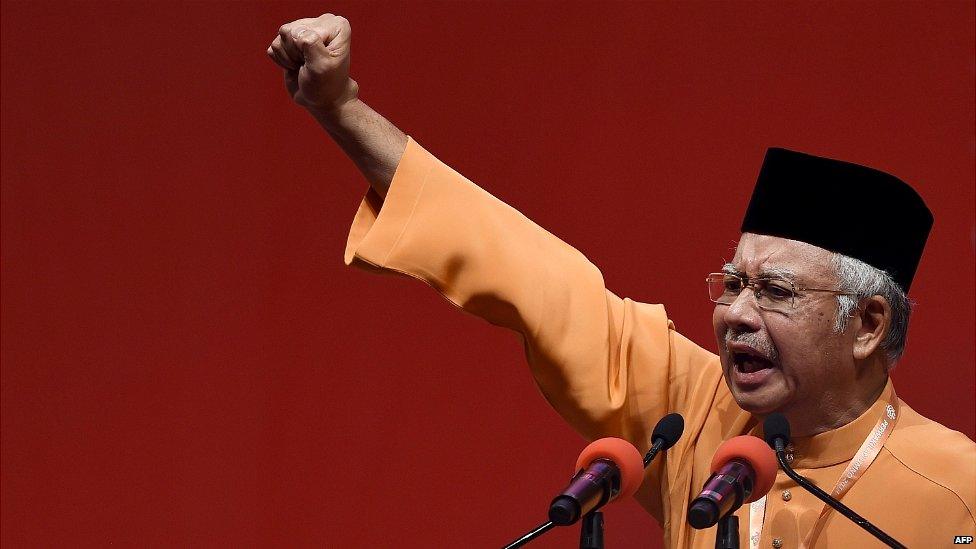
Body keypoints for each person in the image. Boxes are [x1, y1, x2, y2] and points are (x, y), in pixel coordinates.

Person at [267, 13, 975, 548]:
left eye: (776, 290)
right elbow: (524, 267)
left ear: (869, 324)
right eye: (731, 283)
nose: (736, 313)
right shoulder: (695, 413)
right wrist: (340, 108)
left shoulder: (960, 489)